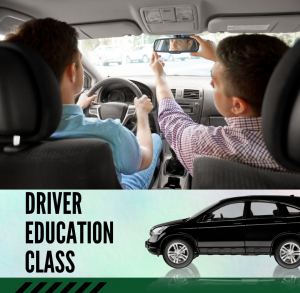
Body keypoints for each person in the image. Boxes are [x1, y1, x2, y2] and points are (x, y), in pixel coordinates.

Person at [5, 18, 162, 189]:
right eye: (80, 61)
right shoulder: (109, 133)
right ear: (72, 71)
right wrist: (142, 114)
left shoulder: (8, 141)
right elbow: (144, 159)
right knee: (153, 140)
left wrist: (77, 107)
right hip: (114, 210)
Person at [150, 34, 294, 175]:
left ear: (237, 106)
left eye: (216, 83)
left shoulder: (206, 144)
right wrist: (219, 59)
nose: (211, 83)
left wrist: (159, 75)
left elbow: (170, 118)